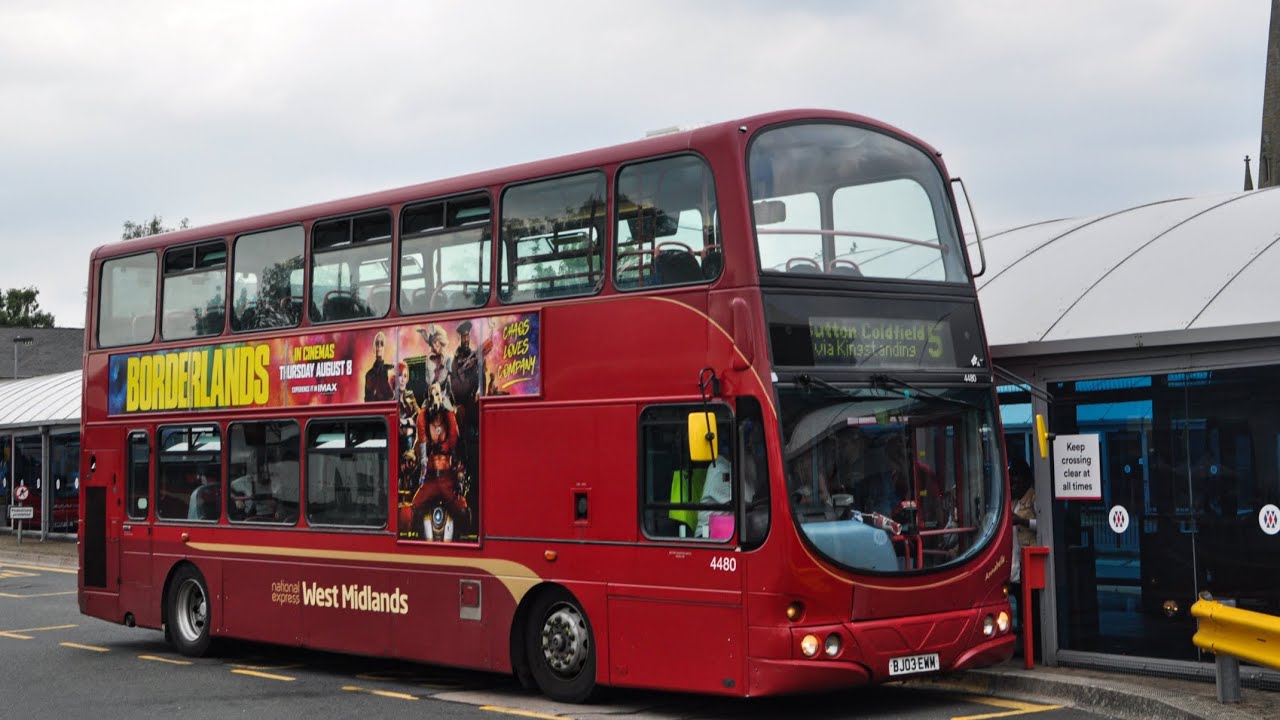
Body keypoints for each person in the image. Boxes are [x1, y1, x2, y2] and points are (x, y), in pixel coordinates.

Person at [696, 446, 733, 539]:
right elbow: (746, 501)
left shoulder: (731, 465)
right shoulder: (720, 468)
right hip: (707, 534)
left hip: (725, 529)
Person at [363, 331, 393, 401]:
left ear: (385, 348)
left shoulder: (390, 370)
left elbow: (392, 395)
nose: (379, 346)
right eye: (377, 343)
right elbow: (368, 399)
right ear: (374, 347)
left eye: (382, 343)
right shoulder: (369, 374)